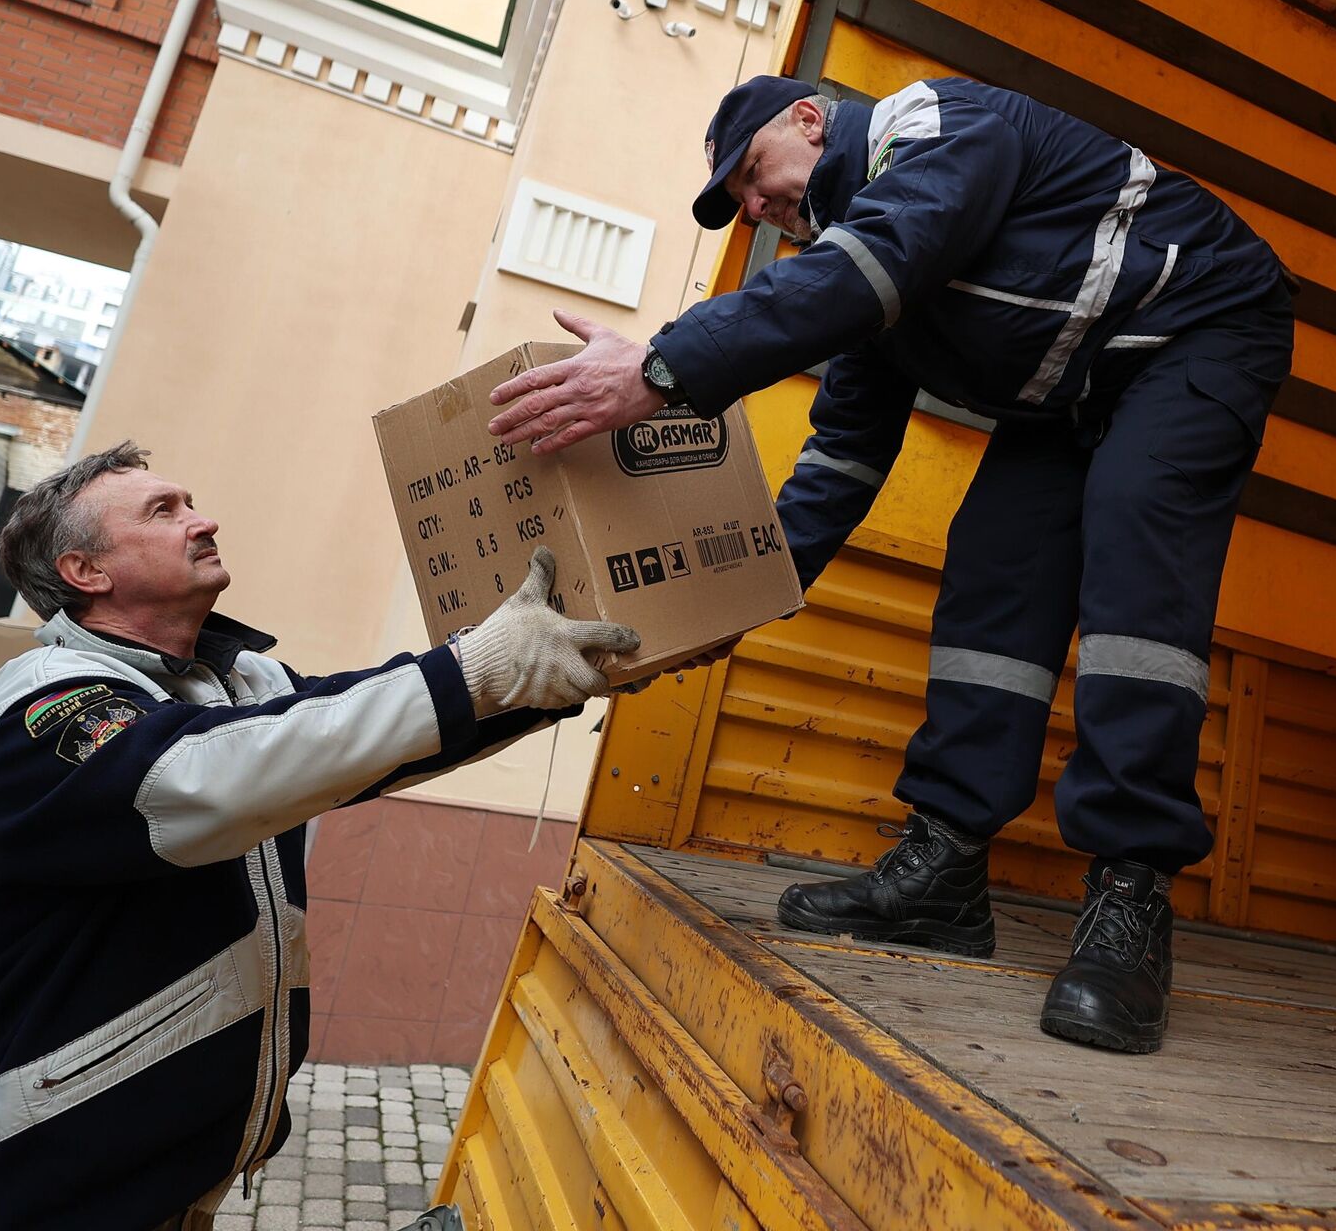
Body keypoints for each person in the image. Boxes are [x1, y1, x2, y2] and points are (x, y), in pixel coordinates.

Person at [485, 75, 1294, 1054]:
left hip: (1203, 325)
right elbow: (839, 464)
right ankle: (946, 869)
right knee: (996, 563)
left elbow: (873, 261)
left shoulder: (935, 130)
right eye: (736, 198)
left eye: (752, 170)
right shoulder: (866, 275)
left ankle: (1132, 892)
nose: (753, 205)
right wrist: (726, 606)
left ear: (811, 119)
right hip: (1081, 386)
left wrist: (661, 365)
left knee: (1136, 533)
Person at [0, 442, 639, 1229]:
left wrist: (550, 679)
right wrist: (474, 669)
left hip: (171, 1181)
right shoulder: (45, 706)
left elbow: (362, 741)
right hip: (37, 1182)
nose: (203, 519)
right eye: (164, 511)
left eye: (189, 502)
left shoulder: (236, 686)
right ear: (86, 572)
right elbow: (201, 777)